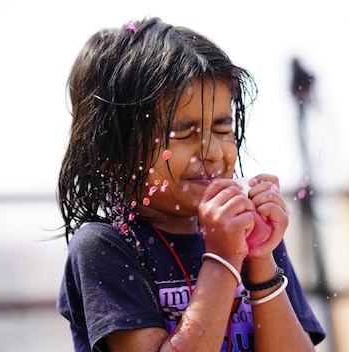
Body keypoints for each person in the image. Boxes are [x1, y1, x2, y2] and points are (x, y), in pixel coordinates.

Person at [56, 17, 326, 352]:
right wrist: (224, 259)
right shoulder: (106, 247)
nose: (213, 152)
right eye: (184, 133)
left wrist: (259, 260)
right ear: (113, 153)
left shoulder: (246, 232)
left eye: (223, 130)